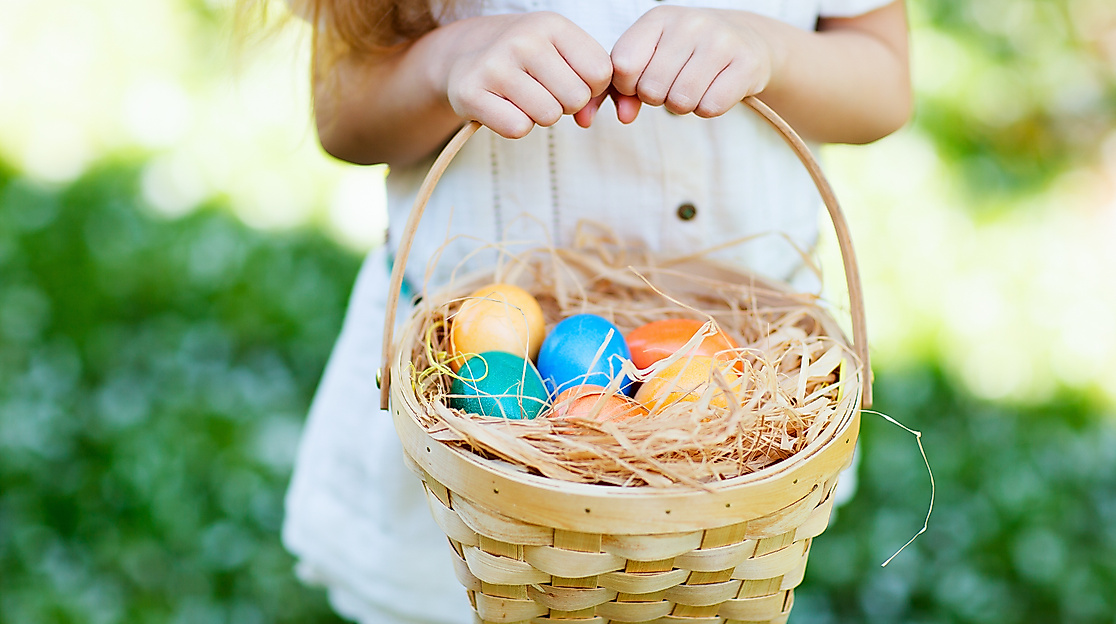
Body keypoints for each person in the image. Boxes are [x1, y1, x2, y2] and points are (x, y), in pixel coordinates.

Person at [248, 1, 911, 622]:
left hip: (737, 425)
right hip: (464, 449)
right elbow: (344, 113)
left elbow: (883, 82)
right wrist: (445, 63)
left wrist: (772, 50)